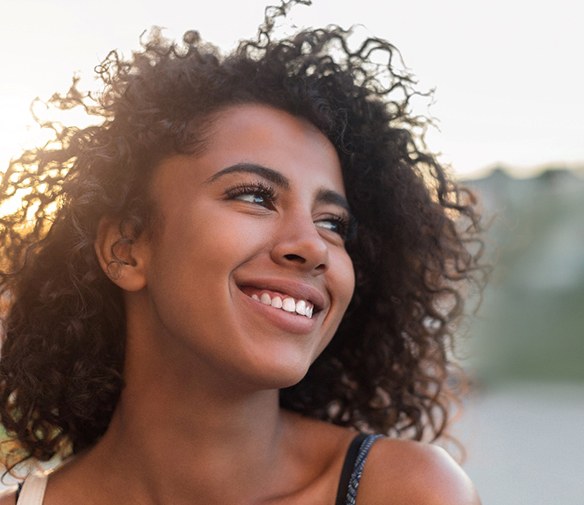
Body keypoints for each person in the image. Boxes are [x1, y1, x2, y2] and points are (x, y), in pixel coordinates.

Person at [0, 1, 486, 503]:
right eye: (255, 196)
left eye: (333, 223)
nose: (312, 246)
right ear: (126, 249)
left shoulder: (405, 492)